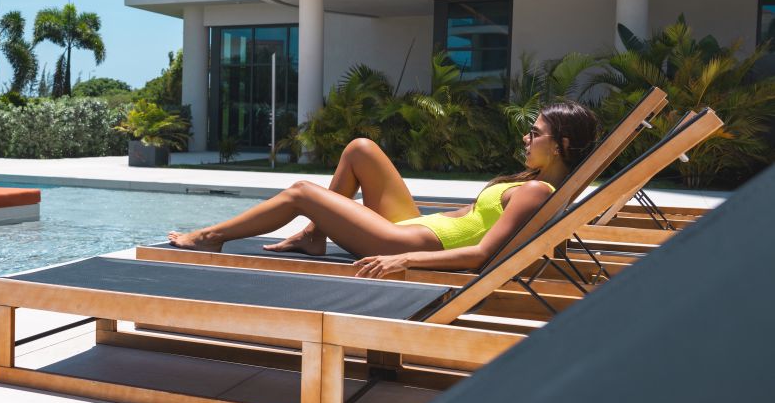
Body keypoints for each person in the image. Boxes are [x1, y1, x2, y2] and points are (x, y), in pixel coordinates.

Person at [168, 101, 599, 278]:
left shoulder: (537, 192)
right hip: (417, 226)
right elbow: (470, 218)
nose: (526, 138)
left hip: (405, 241)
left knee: (301, 190)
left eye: (535, 133)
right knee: (361, 149)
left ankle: (210, 237)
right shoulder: (532, 184)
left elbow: (482, 254)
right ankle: (315, 235)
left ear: (561, 145)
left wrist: (403, 257)